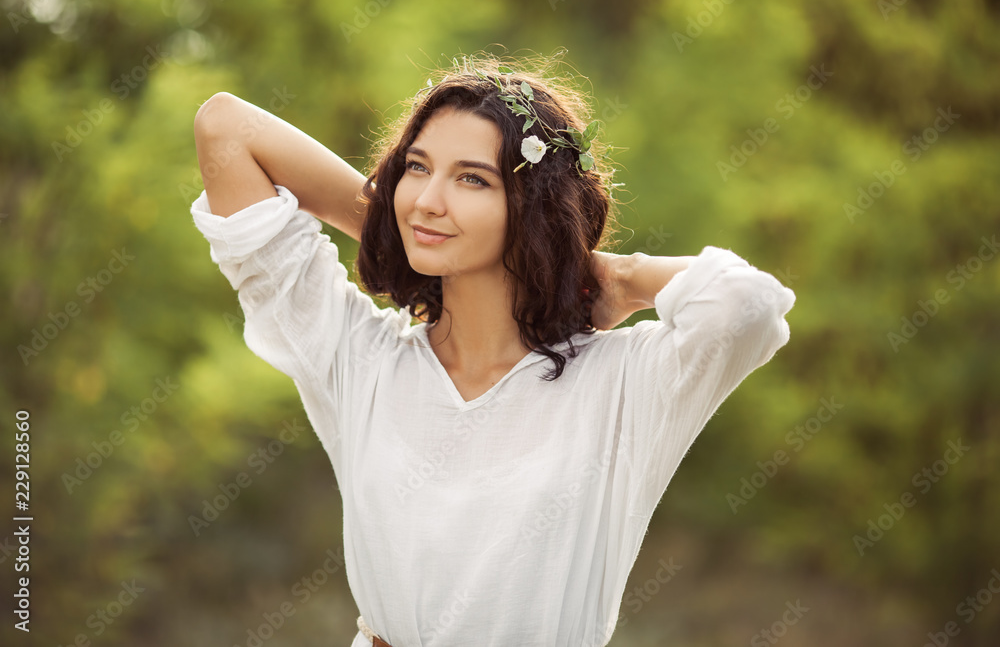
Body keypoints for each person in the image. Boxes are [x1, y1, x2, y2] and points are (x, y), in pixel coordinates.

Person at [188, 54, 795, 647]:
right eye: (417, 168)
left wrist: (620, 278)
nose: (428, 197)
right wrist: (395, 231)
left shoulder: (622, 382)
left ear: (531, 209)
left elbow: (747, 306)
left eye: (472, 179)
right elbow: (226, 128)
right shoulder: (359, 359)